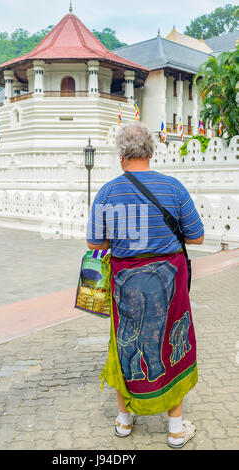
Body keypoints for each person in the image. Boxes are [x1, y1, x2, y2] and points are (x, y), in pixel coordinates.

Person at [86, 122, 204, 449]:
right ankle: (176, 429)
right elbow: (197, 236)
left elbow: (94, 242)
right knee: (170, 341)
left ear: (122, 155)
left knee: (125, 342)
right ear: (151, 152)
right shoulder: (174, 188)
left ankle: (124, 421)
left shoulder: (107, 192)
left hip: (125, 283)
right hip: (168, 283)